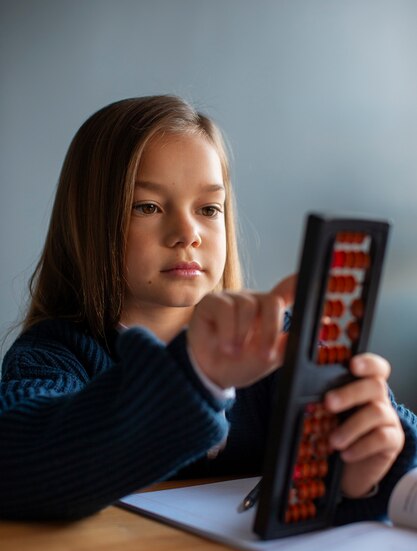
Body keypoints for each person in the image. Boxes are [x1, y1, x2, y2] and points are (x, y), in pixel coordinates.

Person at [0, 95, 416, 522]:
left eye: (208, 209)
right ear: (88, 221)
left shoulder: (277, 340)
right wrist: (196, 375)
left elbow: (398, 447)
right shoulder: (52, 356)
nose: (187, 233)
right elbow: (14, 463)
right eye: (148, 206)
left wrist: (367, 473)